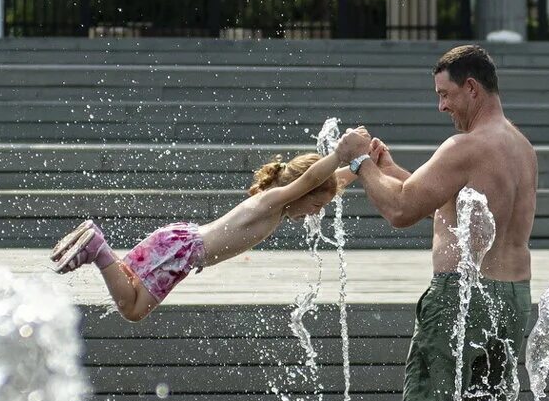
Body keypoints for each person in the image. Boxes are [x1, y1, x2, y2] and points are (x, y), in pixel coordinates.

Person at [336, 45, 536, 401]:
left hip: (461, 299)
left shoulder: (466, 146)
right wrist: (387, 168)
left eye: (445, 95)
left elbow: (401, 210)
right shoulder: (518, 147)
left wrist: (357, 163)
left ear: (472, 87)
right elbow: (441, 206)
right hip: (513, 298)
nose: (442, 107)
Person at [49, 136, 362, 320]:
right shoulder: (274, 201)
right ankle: (97, 248)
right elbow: (311, 180)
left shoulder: (278, 205)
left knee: (128, 287)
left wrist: (360, 165)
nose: (314, 214)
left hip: (179, 241)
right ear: (302, 193)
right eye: (315, 206)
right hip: (183, 251)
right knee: (133, 309)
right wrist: (339, 153)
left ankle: (95, 245)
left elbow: (327, 184)